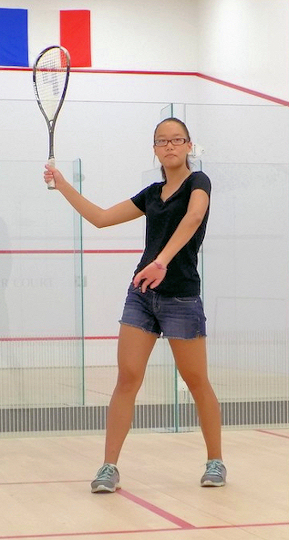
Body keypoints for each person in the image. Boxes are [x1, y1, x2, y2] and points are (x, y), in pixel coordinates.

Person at [44, 117, 226, 493]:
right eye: (163, 141)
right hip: (142, 296)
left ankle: (215, 461)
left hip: (181, 296)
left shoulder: (198, 183)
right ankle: (109, 467)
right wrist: (62, 185)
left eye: (177, 140)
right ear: (155, 149)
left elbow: (194, 218)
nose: (170, 146)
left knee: (196, 382)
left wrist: (161, 261)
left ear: (189, 146)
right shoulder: (151, 193)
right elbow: (101, 218)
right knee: (127, 379)